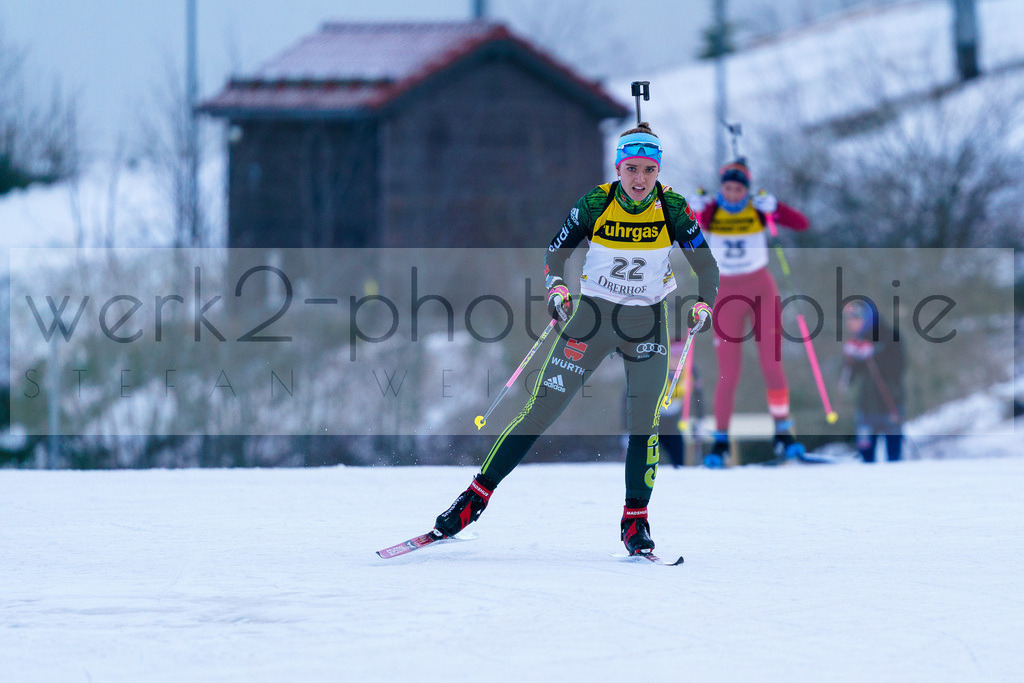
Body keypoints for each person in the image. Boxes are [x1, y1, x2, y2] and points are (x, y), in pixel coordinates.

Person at [432, 122, 720, 555]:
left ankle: (635, 521)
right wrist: (557, 289)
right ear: (618, 168)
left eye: (648, 169)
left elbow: (708, 268)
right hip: (592, 318)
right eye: (631, 169)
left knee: (645, 421)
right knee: (540, 410)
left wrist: (703, 303)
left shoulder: (674, 208)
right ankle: (474, 498)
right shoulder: (595, 203)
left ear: (658, 170)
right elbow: (556, 253)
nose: (639, 179)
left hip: (646, 325)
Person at [690, 158, 810, 467]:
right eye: (727, 188)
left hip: (761, 290)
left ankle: (783, 433)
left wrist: (777, 208)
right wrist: (691, 208)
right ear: (722, 188)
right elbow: (679, 229)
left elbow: (802, 224)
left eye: (738, 189)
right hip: (726, 293)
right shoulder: (710, 210)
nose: (732, 195)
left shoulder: (758, 207)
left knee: (772, 364)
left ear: (747, 189)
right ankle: (720, 442)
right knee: (728, 373)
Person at [840, 300, 906, 462]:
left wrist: (873, 354)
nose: (851, 324)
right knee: (866, 457)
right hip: (866, 408)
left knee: (894, 456)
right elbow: (847, 379)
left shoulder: (890, 336)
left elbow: (900, 366)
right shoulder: (856, 340)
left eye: (855, 319)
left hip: (891, 405)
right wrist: (851, 358)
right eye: (849, 319)